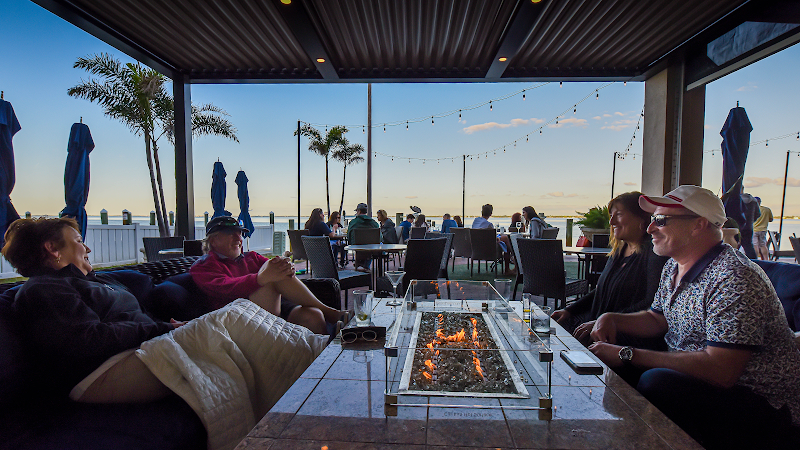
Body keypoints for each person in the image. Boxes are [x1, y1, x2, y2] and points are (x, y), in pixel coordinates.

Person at [587, 185, 800, 449]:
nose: (650, 228)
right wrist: (613, 319)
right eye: (653, 220)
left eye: (661, 221)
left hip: (764, 403)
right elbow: (657, 318)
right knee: (620, 370)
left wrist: (626, 354)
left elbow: (721, 371)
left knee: (656, 382)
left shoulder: (734, 277)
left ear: (698, 225)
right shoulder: (673, 266)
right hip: (701, 378)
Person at [550, 192, 669, 345]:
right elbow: (601, 290)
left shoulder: (654, 254)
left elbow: (650, 304)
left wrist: (604, 322)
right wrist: (570, 310)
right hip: (599, 322)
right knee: (555, 328)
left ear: (641, 218)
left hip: (625, 335)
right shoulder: (618, 251)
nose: (611, 221)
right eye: (611, 215)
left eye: (618, 215)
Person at [191, 216, 344, 334]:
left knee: (314, 316)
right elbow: (225, 288)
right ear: (214, 240)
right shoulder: (203, 267)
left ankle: (321, 365)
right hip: (238, 317)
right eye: (231, 234)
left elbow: (274, 268)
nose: (239, 239)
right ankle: (332, 313)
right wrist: (261, 278)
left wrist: (287, 267)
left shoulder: (250, 257)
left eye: (240, 234)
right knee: (272, 276)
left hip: (274, 307)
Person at [347, 202, 380, 272]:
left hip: (356, 246)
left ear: (358, 211)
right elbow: (380, 237)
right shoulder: (374, 223)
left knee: (362, 246)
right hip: (371, 248)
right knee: (371, 245)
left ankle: (360, 262)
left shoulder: (353, 222)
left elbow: (349, 236)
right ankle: (365, 265)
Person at [739, 192, 760, 259]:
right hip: (749, 227)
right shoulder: (754, 201)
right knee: (749, 246)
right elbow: (758, 214)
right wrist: (750, 221)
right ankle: (754, 262)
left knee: (733, 245)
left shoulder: (736, 199)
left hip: (737, 227)